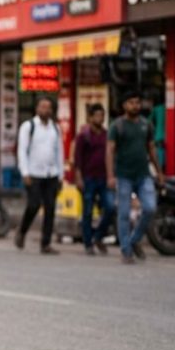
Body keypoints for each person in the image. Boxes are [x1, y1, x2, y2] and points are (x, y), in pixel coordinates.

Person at [107, 92, 163, 264]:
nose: (135, 106)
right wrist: (110, 175)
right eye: (131, 103)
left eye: (137, 102)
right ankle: (126, 251)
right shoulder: (117, 126)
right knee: (123, 214)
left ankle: (134, 239)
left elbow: (151, 149)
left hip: (143, 175)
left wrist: (159, 172)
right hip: (123, 176)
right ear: (124, 105)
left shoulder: (146, 125)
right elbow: (110, 151)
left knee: (150, 208)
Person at [15, 96, 64, 254]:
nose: (45, 110)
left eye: (48, 107)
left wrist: (61, 175)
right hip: (33, 173)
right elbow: (22, 150)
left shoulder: (55, 128)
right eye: (42, 107)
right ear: (37, 109)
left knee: (50, 208)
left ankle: (46, 243)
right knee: (34, 205)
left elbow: (60, 152)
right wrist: (25, 172)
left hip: (51, 173)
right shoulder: (28, 126)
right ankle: (22, 231)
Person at [73, 103, 114, 256]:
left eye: (102, 115)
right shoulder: (83, 136)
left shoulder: (107, 135)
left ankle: (98, 236)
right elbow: (77, 159)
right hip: (88, 178)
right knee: (88, 212)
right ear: (90, 117)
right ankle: (88, 243)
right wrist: (78, 178)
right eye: (97, 115)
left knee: (110, 207)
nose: (100, 118)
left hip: (104, 178)